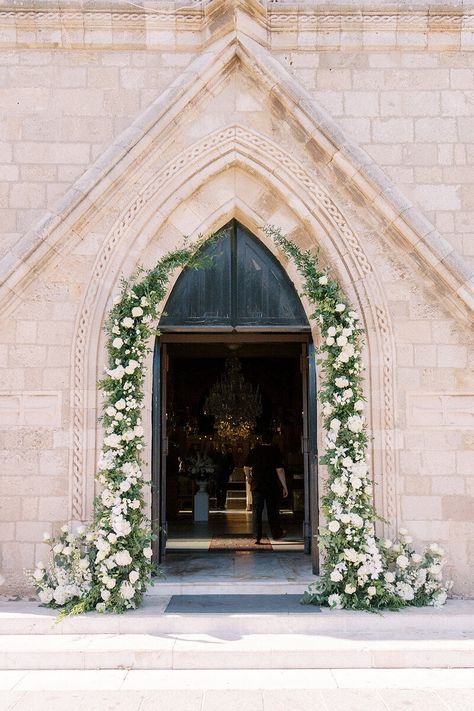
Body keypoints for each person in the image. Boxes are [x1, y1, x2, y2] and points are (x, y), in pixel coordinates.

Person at [244, 432, 288, 544]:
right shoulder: (275, 452)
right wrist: (284, 486)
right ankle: (276, 533)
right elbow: (280, 470)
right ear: (271, 440)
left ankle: (257, 536)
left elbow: (246, 467)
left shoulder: (254, 451)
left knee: (257, 511)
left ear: (261, 439)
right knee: (273, 510)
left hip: (257, 485)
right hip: (271, 485)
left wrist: (249, 478)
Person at [215, 445, 234, 509]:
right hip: (218, 475)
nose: (223, 449)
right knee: (217, 489)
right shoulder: (217, 454)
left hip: (225, 474)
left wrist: (229, 472)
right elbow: (215, 463)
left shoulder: (229, 455)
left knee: (224, 490)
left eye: (224, 448)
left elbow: (232, 464)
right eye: (222, 448)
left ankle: (222, 504)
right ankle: (218, 503)